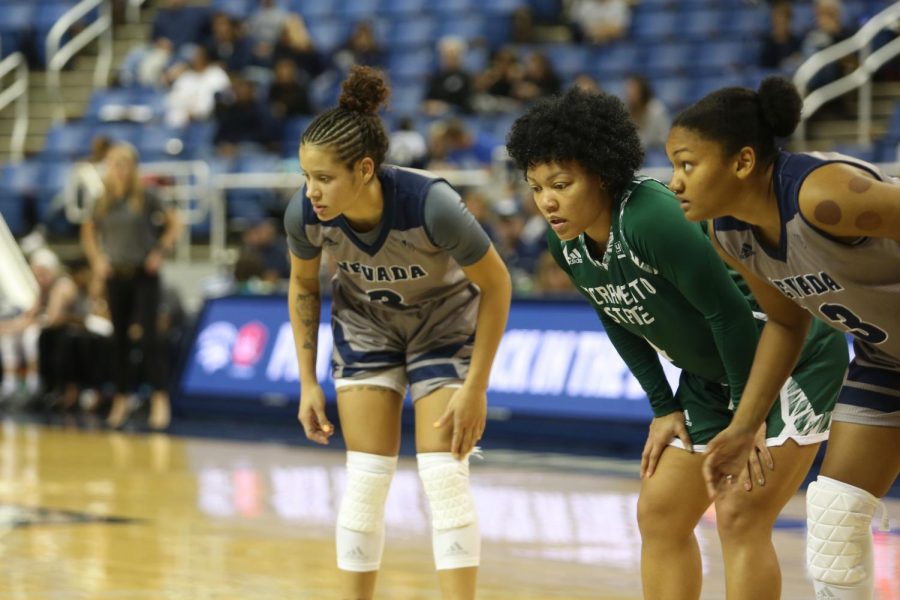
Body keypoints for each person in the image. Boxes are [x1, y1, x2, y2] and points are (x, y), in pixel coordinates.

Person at [505, 87, 848, 600]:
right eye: (536, 187)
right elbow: (615, 315)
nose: (547, 200)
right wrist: (663, 406)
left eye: (561, 183)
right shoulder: (564, 237)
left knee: (738, 515)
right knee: (660, 514)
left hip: (784, 363)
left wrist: (745, 418)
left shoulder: (650, 217)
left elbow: (728, 313)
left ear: (601, 172)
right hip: (715, 376)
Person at [666, 76, 900, 600]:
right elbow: (787, 323)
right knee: (835, 525)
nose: (675, 182)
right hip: (886, 358)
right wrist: (746, 426)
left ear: (743, 162)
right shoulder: (729, 232)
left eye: (687, 164)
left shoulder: (825, 197)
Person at [283, 66, 511, 600]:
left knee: (444, 477)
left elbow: (497, 287)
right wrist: (306, 382)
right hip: (367, 325)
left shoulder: (431, 204)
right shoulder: (307, 214)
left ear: (364, 169)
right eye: (305, 177)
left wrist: (476, 387)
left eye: (324, 178)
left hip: (444, 323)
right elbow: (302, 287)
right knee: (365, 479)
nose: (312, 191)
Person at [81, 143, 182, 430]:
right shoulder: (102, 200)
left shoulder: (146, 197)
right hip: (116, 275)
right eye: (115, 164)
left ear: (133, 168)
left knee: (150, 338)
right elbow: (88, 232)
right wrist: (97, 260)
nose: (120, 169)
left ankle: (160, 399)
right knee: (119, 340)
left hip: (143, 275)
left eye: (125, 164)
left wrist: (159, 251)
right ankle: (121, 399)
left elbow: (175, 222)